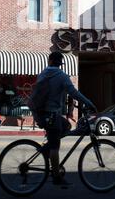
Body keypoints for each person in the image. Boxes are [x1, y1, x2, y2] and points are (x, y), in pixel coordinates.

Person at [37, 51, 96, 187]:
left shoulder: (43, 74)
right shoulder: (62, 76)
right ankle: (56, 176)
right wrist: (89, 103)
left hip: (41, 114)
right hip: (51, 115)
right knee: (55, 146)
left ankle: (47, 148)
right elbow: (74, 93)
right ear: (60, 64)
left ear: (50, 61)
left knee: (67, 126)